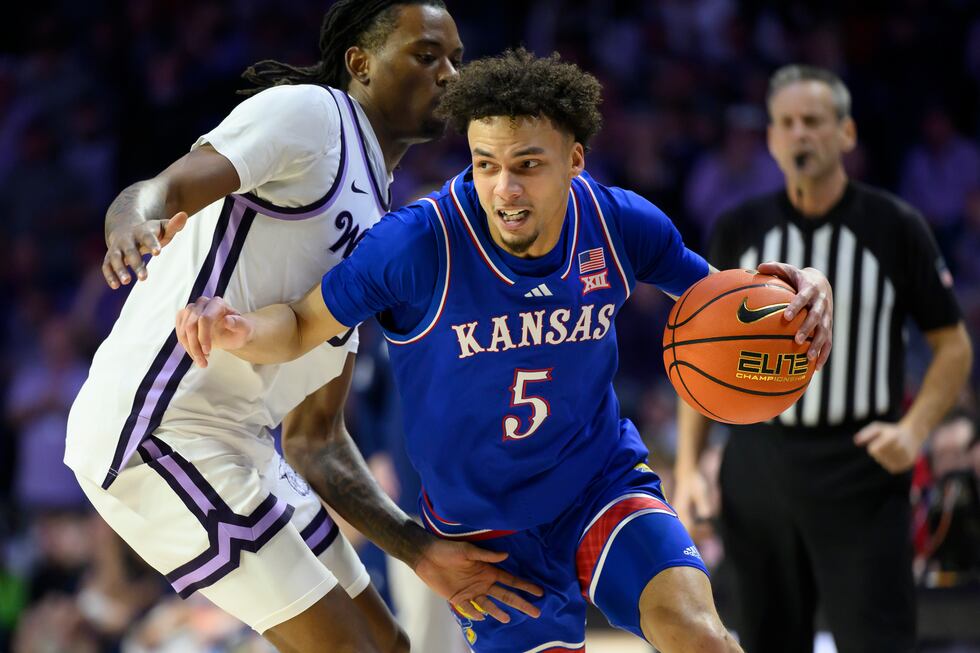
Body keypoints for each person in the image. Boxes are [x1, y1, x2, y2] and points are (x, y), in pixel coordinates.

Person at [174, 49, 835, 653]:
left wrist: (803, 291)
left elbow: (725, 305)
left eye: (527, 165)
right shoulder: (416, 246)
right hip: (482, 536)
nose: (504, 190)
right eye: (485, 164)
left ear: (574, 160)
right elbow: (297, 324)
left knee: (701, 637)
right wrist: (236, 326)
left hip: (598, 484)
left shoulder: (620, 223)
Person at [65, 3, 542, 652]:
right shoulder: (312, 115)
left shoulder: (379, 221)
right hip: (157, 428)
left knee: (389, 644)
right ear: (361, 64)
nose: (450, 75)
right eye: (427, 56)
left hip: (247, 445)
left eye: (457, 59)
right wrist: (133, 223)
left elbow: (316, 438)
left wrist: (417, 550)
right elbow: (160, 191)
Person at [673, 65, 974, 653]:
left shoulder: (895, 227)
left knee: (877, 640)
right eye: (785, 123)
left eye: (813, 121)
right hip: (758, 465)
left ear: (846, 135)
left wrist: (913, 432)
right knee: (764, 640)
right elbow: (696, 356)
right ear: (770, 139)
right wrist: (687, 465)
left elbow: (954, 345)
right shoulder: (738, 228)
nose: (799, 134)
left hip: (860, 464)